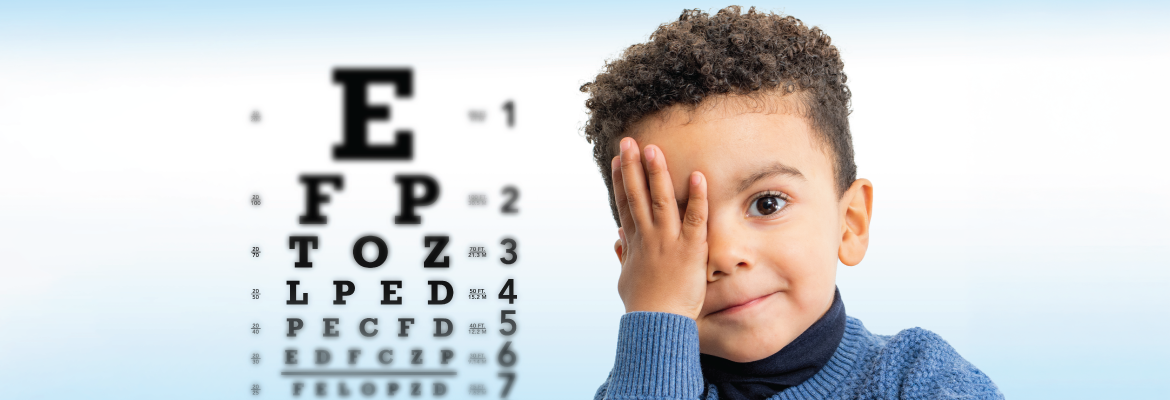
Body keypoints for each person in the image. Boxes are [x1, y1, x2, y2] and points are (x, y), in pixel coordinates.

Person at [578, 6, 1003, 400]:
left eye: (767, 204)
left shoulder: (919, 376)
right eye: (682, 225)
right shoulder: (634, 386)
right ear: (635, 269)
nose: (725, 254)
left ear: (850, 222)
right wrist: (656, 315)